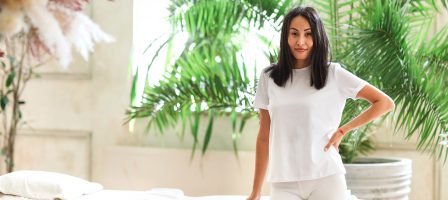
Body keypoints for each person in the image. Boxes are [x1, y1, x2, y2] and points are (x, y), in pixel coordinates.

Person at [246, 6, 395, 200]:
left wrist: (343, 130)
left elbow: (384, 102)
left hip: (326, 177)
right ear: (286, 37)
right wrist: (255, 192)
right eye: (294, 34)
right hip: (283, 182)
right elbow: (264, 137)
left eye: (308, 34)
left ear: (317, 37)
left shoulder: (333, 73)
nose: (301, 41)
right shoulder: (269, 77)